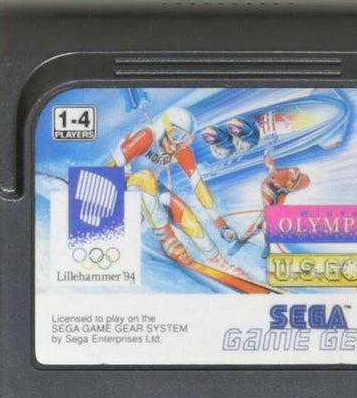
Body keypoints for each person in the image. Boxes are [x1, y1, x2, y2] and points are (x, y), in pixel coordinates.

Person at [105, 107, 242, 274]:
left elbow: (198, 185)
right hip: (123, 188)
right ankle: (167, 238)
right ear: (164, 128)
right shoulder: (146, 136)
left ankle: (217, 260)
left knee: (186, 214)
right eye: (177, 135)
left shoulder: (180, 149)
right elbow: (109, 168)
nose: (178, 144)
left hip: (148, 192)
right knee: (147, 177)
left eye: (185, 140)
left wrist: (221, 224)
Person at [230, 149, 310, 258]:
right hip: (269, 188)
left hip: (281, 193)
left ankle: (263, 244)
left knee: (270, 219)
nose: (294, 188)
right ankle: (245, 241)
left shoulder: (297, 185)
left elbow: (284, 193)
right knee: (264, 218)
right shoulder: (277, 175)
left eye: (296, 188)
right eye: (294, 186)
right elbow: (269, 164)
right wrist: (266, 154)